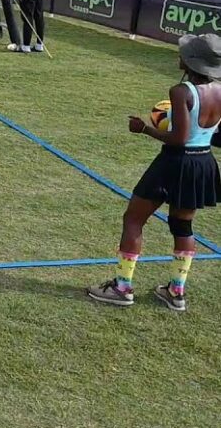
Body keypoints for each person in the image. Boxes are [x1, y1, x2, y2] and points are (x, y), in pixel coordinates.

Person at [87, 34, 221, 312]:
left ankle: (123, 288)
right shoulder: (219, 90)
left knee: (133, 218)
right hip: (203, 163)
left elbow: (179, 139)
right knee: (182, 225)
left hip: (174, 162)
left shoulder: (181, 92)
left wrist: (144, 128)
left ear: (191, 61)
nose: (179, 53)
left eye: (184, 52)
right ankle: (176, 292)